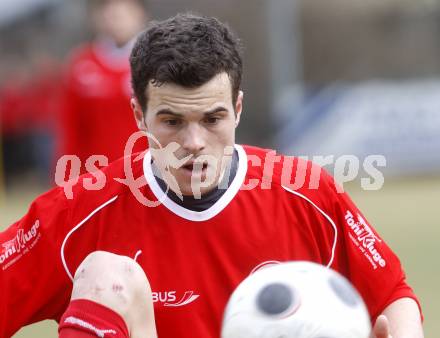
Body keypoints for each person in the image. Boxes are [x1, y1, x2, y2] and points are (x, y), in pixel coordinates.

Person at [0, 13, 423, 338]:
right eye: (171, 121)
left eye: (213, 118)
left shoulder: (306, 193)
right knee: (106, 277)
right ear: (139, 116)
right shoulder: (82, 210)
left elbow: (392, 295)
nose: (194, 141)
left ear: (237, 110)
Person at [59, 0, 148, 173]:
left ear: (140, 14)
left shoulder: (156, 62)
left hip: (145, 172)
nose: (117, 21)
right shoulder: (82, 64)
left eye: (124, 13)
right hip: (96, 173)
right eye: (111, 14)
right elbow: (71, 126)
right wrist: (66, 174)